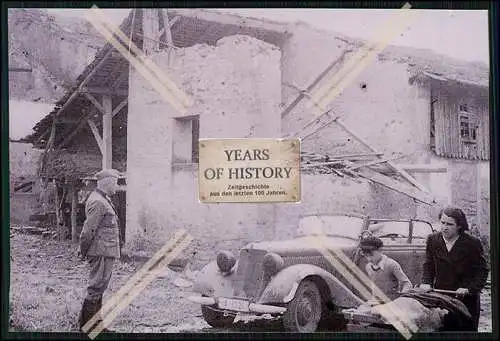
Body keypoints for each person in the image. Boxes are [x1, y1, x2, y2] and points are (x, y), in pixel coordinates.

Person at [418, 206, 489, 331]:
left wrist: (469, 289)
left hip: (465, 300)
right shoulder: (433, 240)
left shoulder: (472, 243)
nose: (444, 227)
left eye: (449, 224)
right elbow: (428, 265)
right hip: (441, 298)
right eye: (442, 223)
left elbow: (482, 271)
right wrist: (426, 282)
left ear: (459, 226)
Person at [78, 169, 121, 332]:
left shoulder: (103, 199)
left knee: (100, 287)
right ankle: (88, 328)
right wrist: (83, 250)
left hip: (105, 251)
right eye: (115, 183)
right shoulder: (98, 201)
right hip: (100, 251)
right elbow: (88, 230)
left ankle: (95, 326)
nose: (116, 187)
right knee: (96, 287)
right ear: (108, 183)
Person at [360, 236, 413, 302]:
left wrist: (401, 299)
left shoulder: (391, 264)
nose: (369, 259)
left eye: (371, 255)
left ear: (380, 250)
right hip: (377, 302)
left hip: (393, 302)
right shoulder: (368, 267)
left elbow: (407, 283)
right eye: (366, 256)